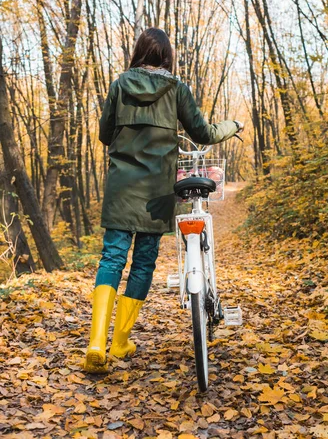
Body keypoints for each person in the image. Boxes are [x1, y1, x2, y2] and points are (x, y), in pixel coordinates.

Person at [84, 27, 243, 373]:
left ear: (139, 53)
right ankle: (120, 342)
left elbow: (103, 134)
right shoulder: (176, 89)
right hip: (156, 192)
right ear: (166, 57)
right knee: (143, 263)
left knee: (112, 258)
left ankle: (96, 343)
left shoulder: (119, 84)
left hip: (121, 187)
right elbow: (204, 133)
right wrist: (234, 123)